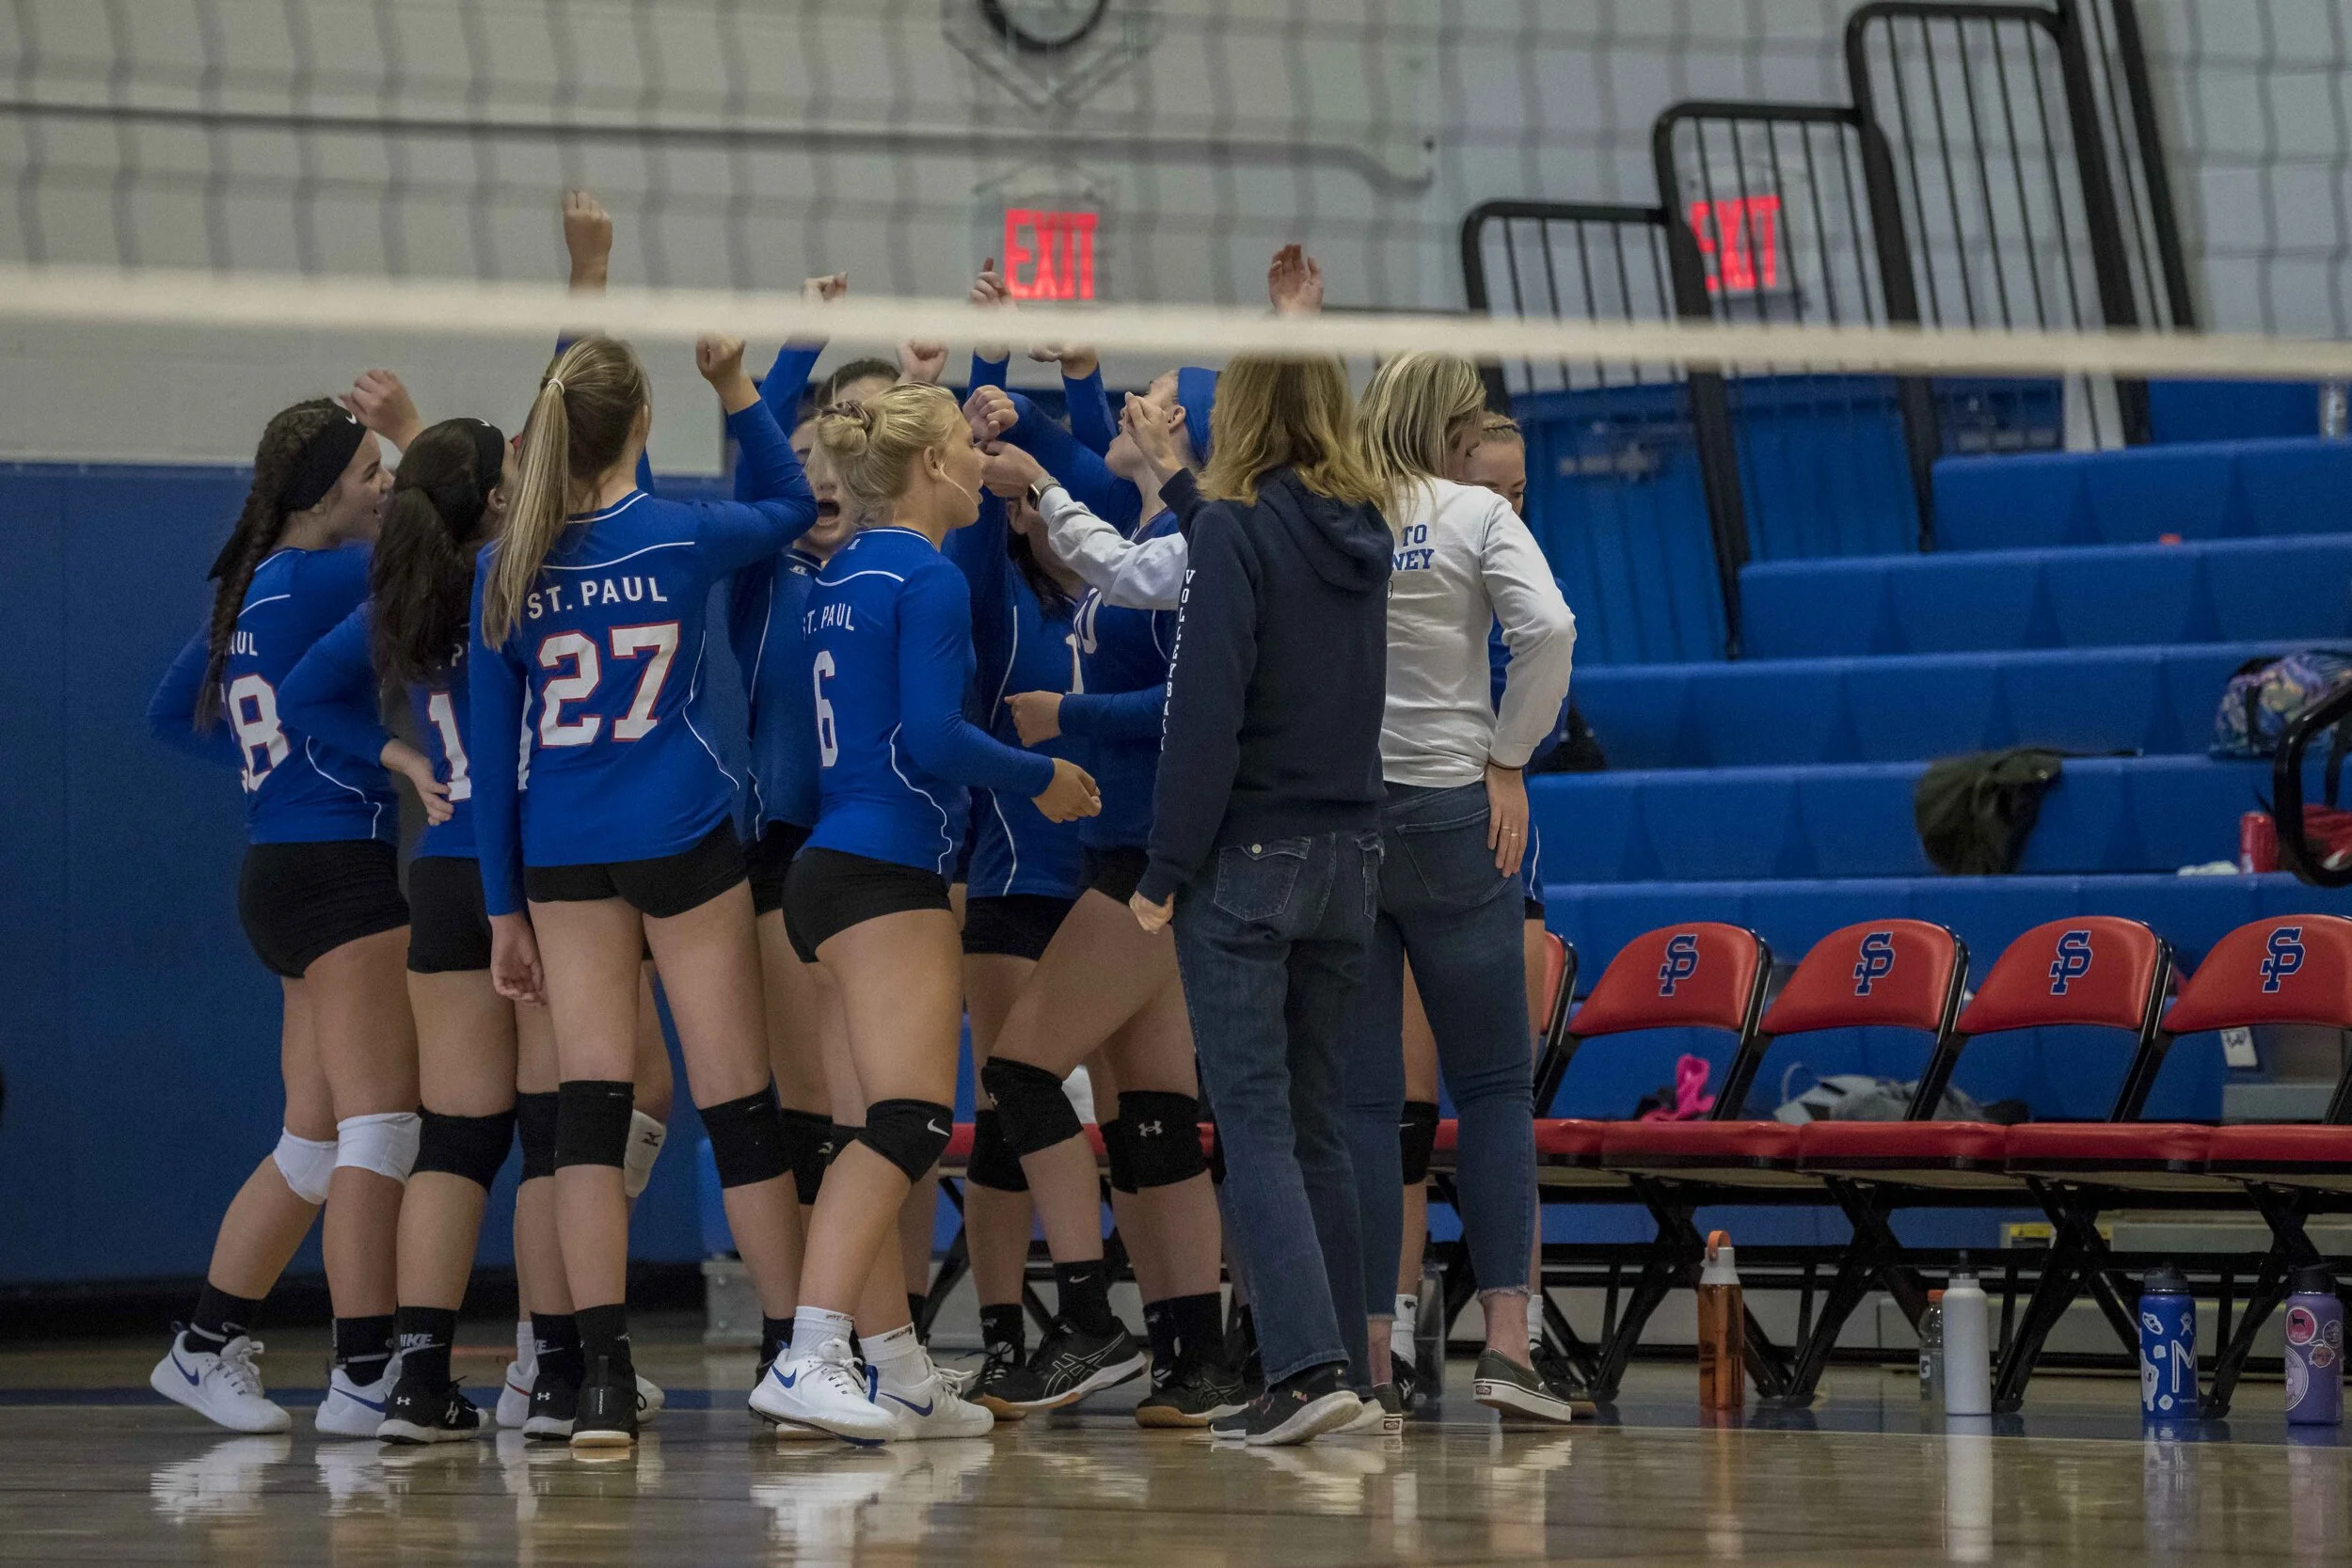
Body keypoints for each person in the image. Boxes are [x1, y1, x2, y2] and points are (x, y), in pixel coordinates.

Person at [469, 332, 818, 1450]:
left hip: (562, 851)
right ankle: (792, 1358)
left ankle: (599, 1381)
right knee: (738, 1105)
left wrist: (501, 910)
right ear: (641, 427)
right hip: (678, 833)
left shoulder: (506, 564)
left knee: (587, 1111)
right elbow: (791, 500)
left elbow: (491, 759)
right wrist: (738, 386)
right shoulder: (680, 532)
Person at [750, 383, 1101, 1443]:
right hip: (888, 870)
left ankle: (897, 1368)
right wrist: (1041, 776)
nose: (980, 461)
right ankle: (810, 1350)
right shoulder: (928, 576)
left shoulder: (837, 573)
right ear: (934, 467)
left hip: (827, 866)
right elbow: (934, 737)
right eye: (964, 446)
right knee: (907, 1123)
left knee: (867, 1126)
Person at [964, 380, 1246, 1427]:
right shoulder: (1148, 530)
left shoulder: (1195, 546)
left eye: (1157, 396)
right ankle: (1195, 1356)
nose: (1134, 399)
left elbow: (1198, 701)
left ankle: (1088, 1317)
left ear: (1186, 432)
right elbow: (1065, 465)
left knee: (1019, 1070)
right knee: (1150, 1121)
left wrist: (1067, 715)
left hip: (1151, 857)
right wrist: (1028, 400)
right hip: (1122, 845)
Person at [1132, 353, 1394, 1447]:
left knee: (1253, 1120)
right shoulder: (1364, 530)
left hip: (1248, 855)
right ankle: (1352, 1374)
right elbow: (1250, 547)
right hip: (1352, 851)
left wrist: (1161, 869)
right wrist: (1178, 483)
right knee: (1318, 1120)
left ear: (1236, 413)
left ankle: (1301, 1368)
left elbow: (1205, 713)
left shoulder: (1236, 530)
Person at [145, 399, 421, 1437]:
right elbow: (453, 554)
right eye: (369, 471)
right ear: (321, 491)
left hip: (276, 865)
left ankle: (203, 1345)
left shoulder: (254, 586)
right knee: (381, 1127)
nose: (384, 486)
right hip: (339, 870)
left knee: (313, 1143)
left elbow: (171, 713)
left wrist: (274, 768)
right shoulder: (332, 576)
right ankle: (363, 1376)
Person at [276, 416, 535, 1442]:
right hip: (528, 875)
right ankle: (553, 1369)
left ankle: (417, 1380)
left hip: (439, 874)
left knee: (458, 1137)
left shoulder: (408, 594)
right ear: (498, 500)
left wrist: (404, 757)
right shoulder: (521, 588)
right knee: (564, 1132)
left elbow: (302, 694)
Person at [1342, 353, 1577, 1426]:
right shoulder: (1476, 511)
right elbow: (1551, 629)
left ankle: (1371, 1362)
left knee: (1365, 1101)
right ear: (1450, 429)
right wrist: (1509, 755)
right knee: (1491, 1089)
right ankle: (1508, 1349)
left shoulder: (1334, 507)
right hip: (1454, 811)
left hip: (1347, 816)